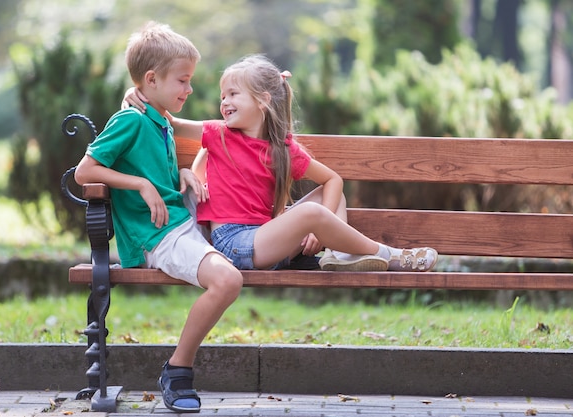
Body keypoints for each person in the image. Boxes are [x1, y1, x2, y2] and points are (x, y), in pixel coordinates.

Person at [123, 54, 438, 273]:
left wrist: (322, 229)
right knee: (312, 213)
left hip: (268, 240)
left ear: (262, 100)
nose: (224, 102)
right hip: (234, 244)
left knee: (329, 201)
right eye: (223, 95)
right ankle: (388, 255)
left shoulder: (283, 149)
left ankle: (341, 254)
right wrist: (137, 93)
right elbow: (170, 121)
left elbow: (333, 181)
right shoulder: (218, 134)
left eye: (233, 93)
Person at [74, 21, 243, 414]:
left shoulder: (159, 118)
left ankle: (301, 241)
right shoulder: (130, 119)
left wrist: (181, 174)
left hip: (181, 221)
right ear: (151, 79)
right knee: (228, 279)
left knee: (246, 206)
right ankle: (178, 369)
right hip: (158, 237)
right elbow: (84, 171)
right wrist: (139, 185)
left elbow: (159, 171)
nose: (190, 89)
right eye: (183, 81)